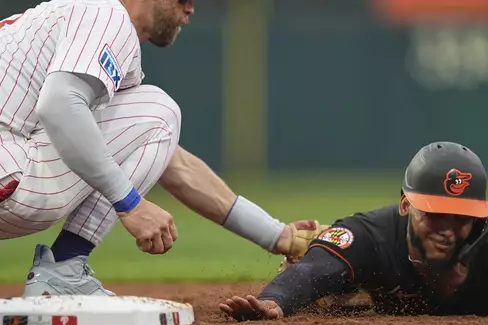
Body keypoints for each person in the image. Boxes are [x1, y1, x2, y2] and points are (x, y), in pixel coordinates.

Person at [0, 0, 320, 297]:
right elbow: (59, 105)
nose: (191, 8)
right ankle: (64, 268)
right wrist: (130, 203)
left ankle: (64, 268)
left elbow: (172, 164)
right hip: (10, 170)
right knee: (159, 109)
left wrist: (278, 235)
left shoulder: (71, 19)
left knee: (154, 118)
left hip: (11, 161)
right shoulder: (105, 13)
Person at [219, 104, 488, 321]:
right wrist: (273, 301)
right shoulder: (373, 236)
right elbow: (312, 272)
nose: (448, 228)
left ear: (479, 214)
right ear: (406, 203)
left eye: (461, 216)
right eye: (435, 213)